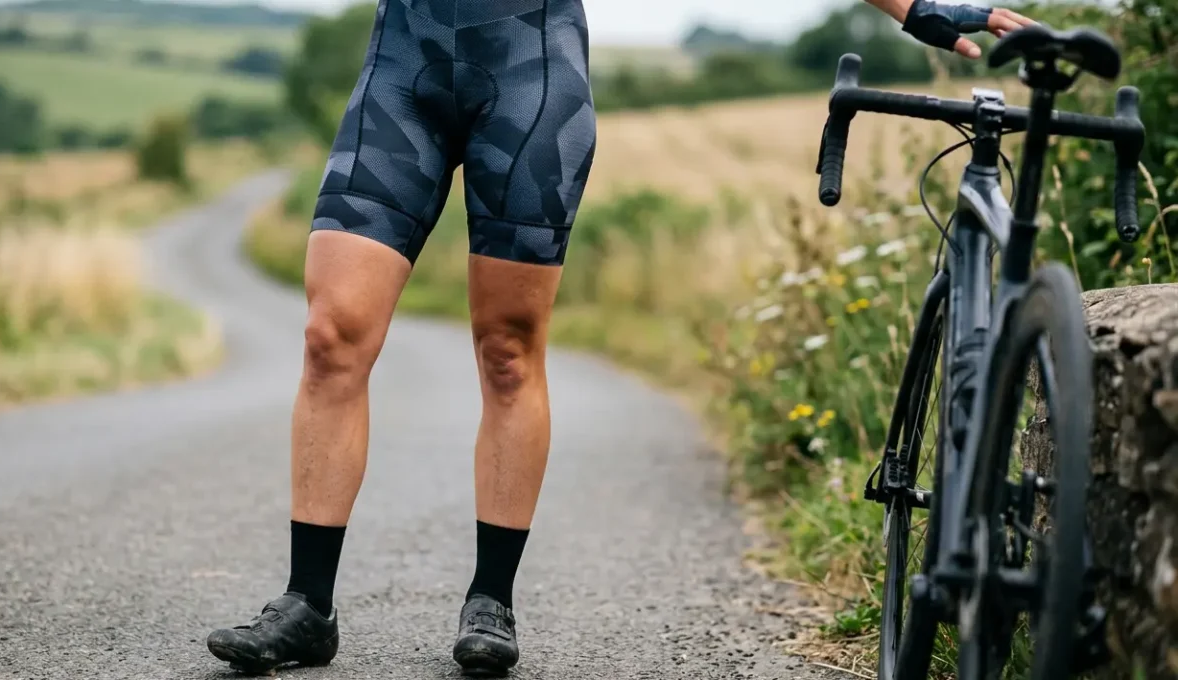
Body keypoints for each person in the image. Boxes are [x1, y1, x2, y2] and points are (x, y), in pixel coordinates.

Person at [205, 0, 1036, 676]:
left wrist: (916, 6)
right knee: (331, 334)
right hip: (402, 65)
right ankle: (306, 606)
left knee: (507, 347)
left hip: (530, 74)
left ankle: (491, 600)